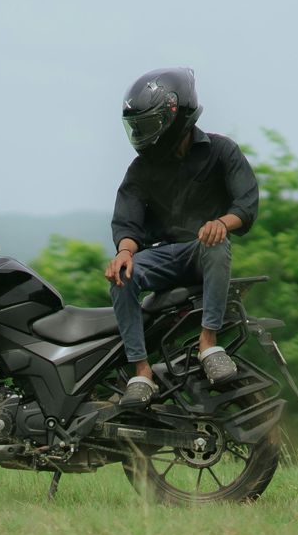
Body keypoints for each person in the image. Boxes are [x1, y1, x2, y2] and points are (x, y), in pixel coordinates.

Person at [104, 67, 260, 408]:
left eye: (146, 124)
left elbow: (246, 205)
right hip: (162, 257)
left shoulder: (221, 151)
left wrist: (222, 223)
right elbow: (127, 221)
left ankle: (209, 344)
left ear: (173, 116)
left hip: (202, 253)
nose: (141, 133)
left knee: (216, 242)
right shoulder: (141, 167)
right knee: (121, 275)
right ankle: (141, 372)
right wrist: (124, 253)